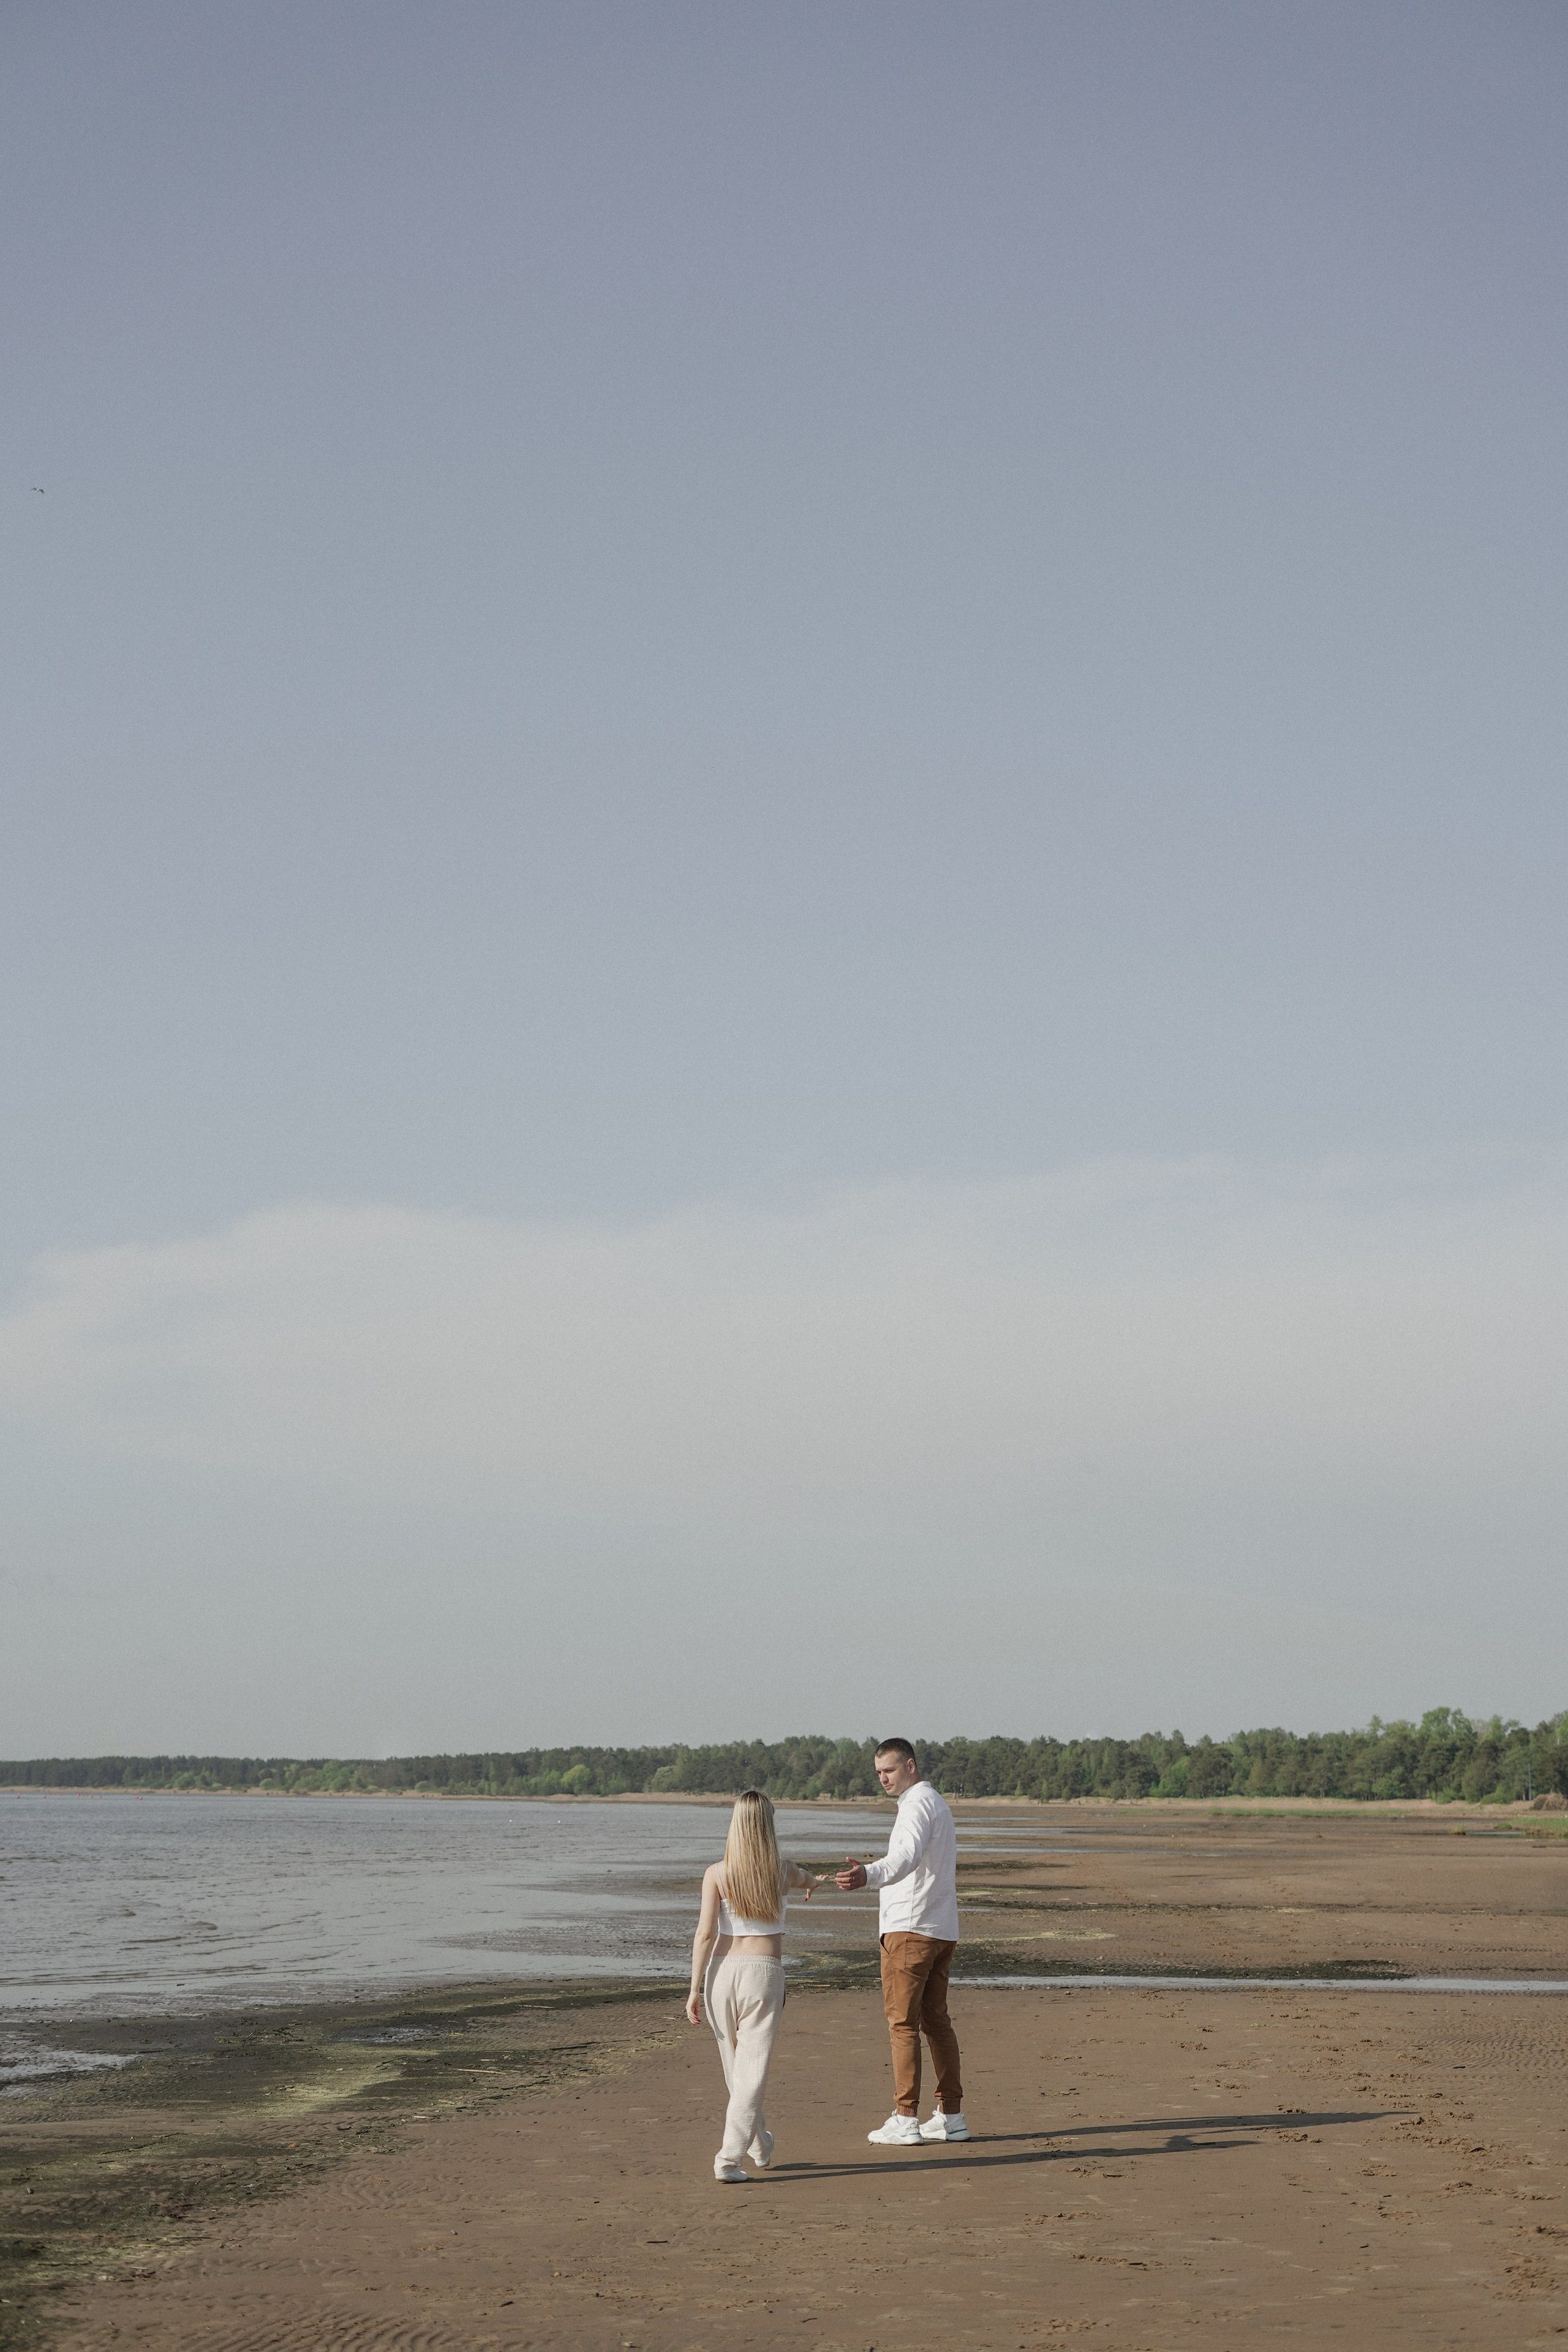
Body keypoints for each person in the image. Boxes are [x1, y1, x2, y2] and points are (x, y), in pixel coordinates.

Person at [687, 1789, 827, 2183]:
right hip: (763, 1974)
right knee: (751, 2070)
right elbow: (808, 1879)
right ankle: (728, 2159)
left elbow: (704, 1933)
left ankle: (759, 2143)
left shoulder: (717, 1873)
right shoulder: (781, 1871)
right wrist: (815, 1884)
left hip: (720, 1973)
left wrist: (694, 1989)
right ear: (768, 1825)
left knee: (737, 2068)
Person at [836, 1737, 968, 2144]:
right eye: (878, 1772)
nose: (883, 1779)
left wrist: (867, 1875)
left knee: (903, 2025)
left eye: (889, 1770)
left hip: (912, 1930)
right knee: (935, 2023)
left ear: (910, 1765)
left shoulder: (916, 1805)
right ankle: (950, 2116)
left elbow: (905, 1858)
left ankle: (906, 2118)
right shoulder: (937, 1804)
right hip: (939, 1929)